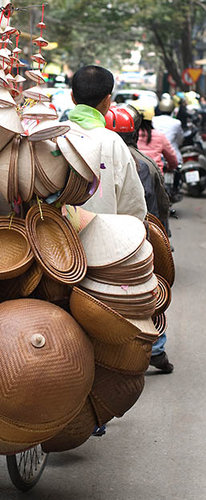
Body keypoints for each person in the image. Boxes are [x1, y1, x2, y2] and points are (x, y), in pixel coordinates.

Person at [105, 104, 174, 373]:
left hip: (117, 238)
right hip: (139, 238)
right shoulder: (144, 163)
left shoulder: (106, 156)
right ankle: (155, 348)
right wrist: (161, 242)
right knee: (147, 295)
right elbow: (156, 208)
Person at [67, 65, 147, 221]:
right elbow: (134, 207)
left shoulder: (52, 135)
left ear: (72, 97)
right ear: (108, 101)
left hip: (55, 241)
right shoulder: (114, 143)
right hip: (104, 240)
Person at [135, 104, 178, 173]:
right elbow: (171, 157)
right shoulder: (159, 135)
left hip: (135, 175)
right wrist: (171, 167)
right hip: (155, 175)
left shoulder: (130, 135)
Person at [152, 96, 184, 164]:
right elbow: (180, 140)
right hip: (173, 156)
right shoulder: (176, 122)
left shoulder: (153, 120)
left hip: (156, 156)